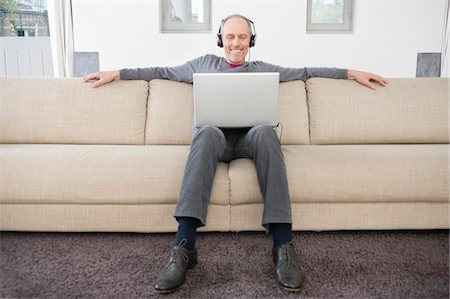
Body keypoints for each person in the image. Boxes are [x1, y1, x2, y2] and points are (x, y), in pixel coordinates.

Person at [84, 14, 387, 293]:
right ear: (221, 40)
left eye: (242, 37)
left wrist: (351, 72)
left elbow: (307, 72)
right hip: (214, 141)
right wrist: (117, 73)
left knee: (266, 132)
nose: (236, 43)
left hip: (250, 141)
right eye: (230, 37)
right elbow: (161, 71)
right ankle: (184, 247)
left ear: (250, 41)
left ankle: (283, 246)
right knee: (206, 132)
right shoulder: (201, 64)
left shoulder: (263, 70)